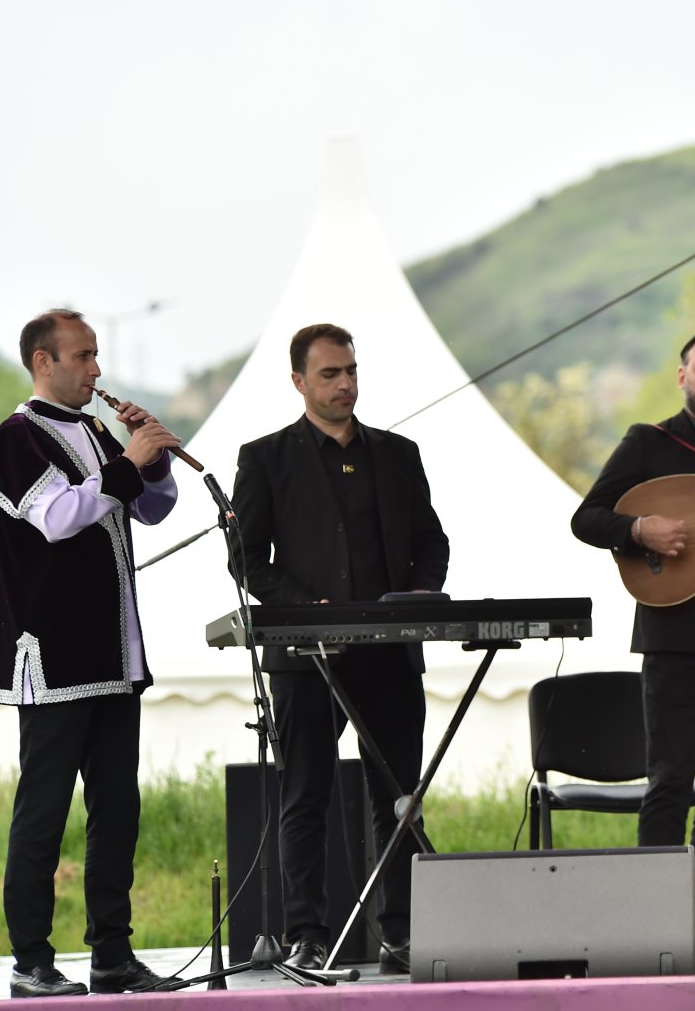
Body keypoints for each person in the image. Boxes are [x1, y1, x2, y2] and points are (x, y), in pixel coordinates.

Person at [230, 324, 449, 974]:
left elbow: (432, 541)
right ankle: (307, 934)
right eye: (330, 373)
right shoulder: (265, 457)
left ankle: (402, 932)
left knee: (398, 795)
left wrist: (417, 596)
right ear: (298, 381)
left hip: (389, 652)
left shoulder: (398, 453)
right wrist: (304, 609)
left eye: (351, 370)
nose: (346, 383)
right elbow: (247, 559)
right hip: (306, 655)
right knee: (306, 794)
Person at [0, 309, 179, 998]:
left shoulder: (98, 431)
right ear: (44, 362)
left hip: (113, 657)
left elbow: (150, 510)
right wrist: (129, 464)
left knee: (117, 809)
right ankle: (30, 960)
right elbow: (59, 516)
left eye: (96, 356)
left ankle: (112, 954)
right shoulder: (14, 439)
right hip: (55, 657)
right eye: (84, 356)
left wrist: (148, 458)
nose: (98, 370)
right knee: (43, 811)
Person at [570, 330, 695, 961]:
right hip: (676, 641)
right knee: (668, 783)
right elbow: (587, 519)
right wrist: (638, 529)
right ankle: (653, 924)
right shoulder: (648, 443)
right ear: (682, 376)